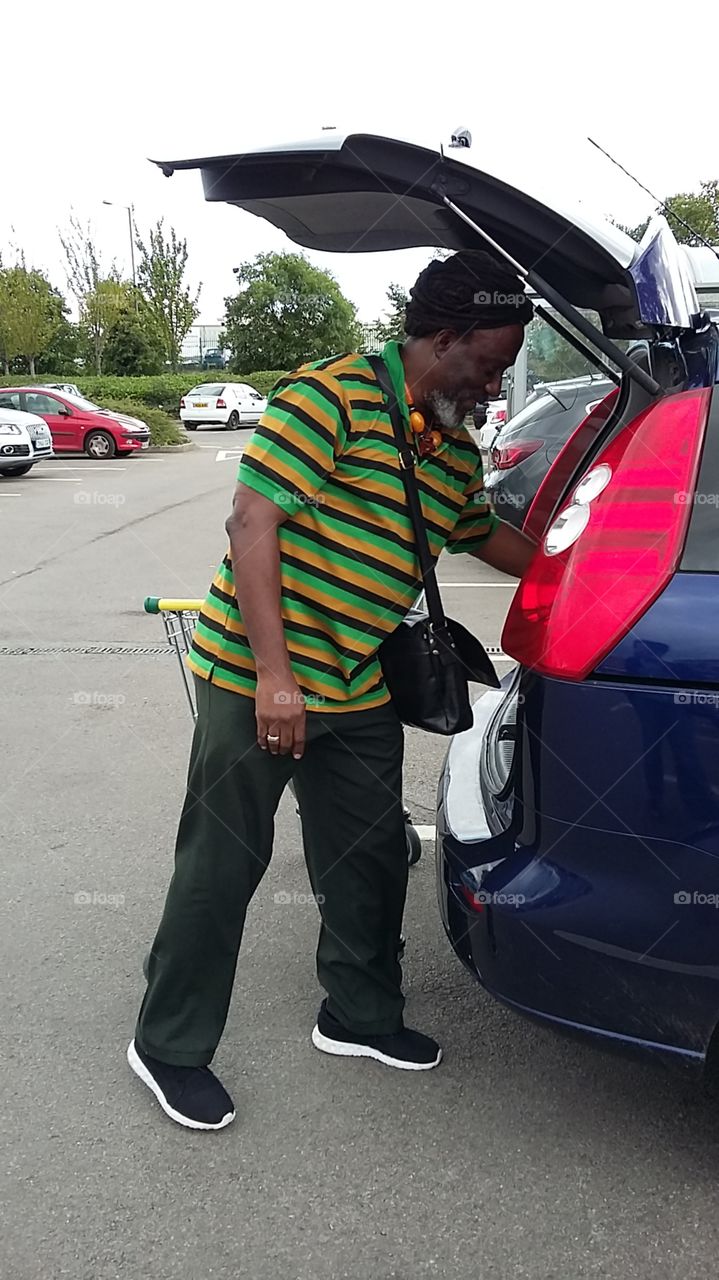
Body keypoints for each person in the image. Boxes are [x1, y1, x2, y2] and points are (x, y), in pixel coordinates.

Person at [127, 249, 536, 1130]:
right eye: (493, 359)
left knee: (369, 857)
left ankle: (357, 1015)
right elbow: (252, 520)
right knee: (222, 863)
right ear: (445, 336)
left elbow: (486, 539)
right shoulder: (328, 397)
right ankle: (168, 1043)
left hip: (358, 684)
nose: (498, 381)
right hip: (256, 677)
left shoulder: (448, 441)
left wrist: (595, 570)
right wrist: (276, 679)